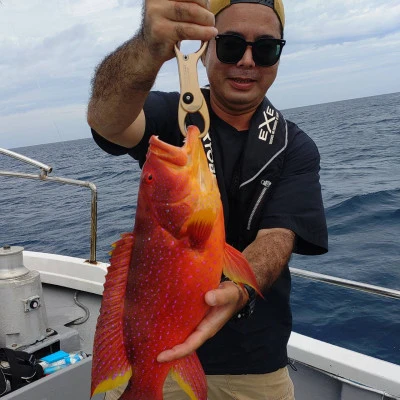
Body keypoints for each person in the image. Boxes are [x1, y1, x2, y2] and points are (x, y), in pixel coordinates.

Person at [87, 0, 328, 398]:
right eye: (231, 44)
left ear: (279, 56)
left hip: (254, 363)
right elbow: (107, 118)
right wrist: (147, 47)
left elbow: (279, 235)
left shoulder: (295, 147)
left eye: (265, 48)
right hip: (157, 358)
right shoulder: (171, 114)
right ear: (205, 50)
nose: (247, 61)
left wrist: (239, 290)